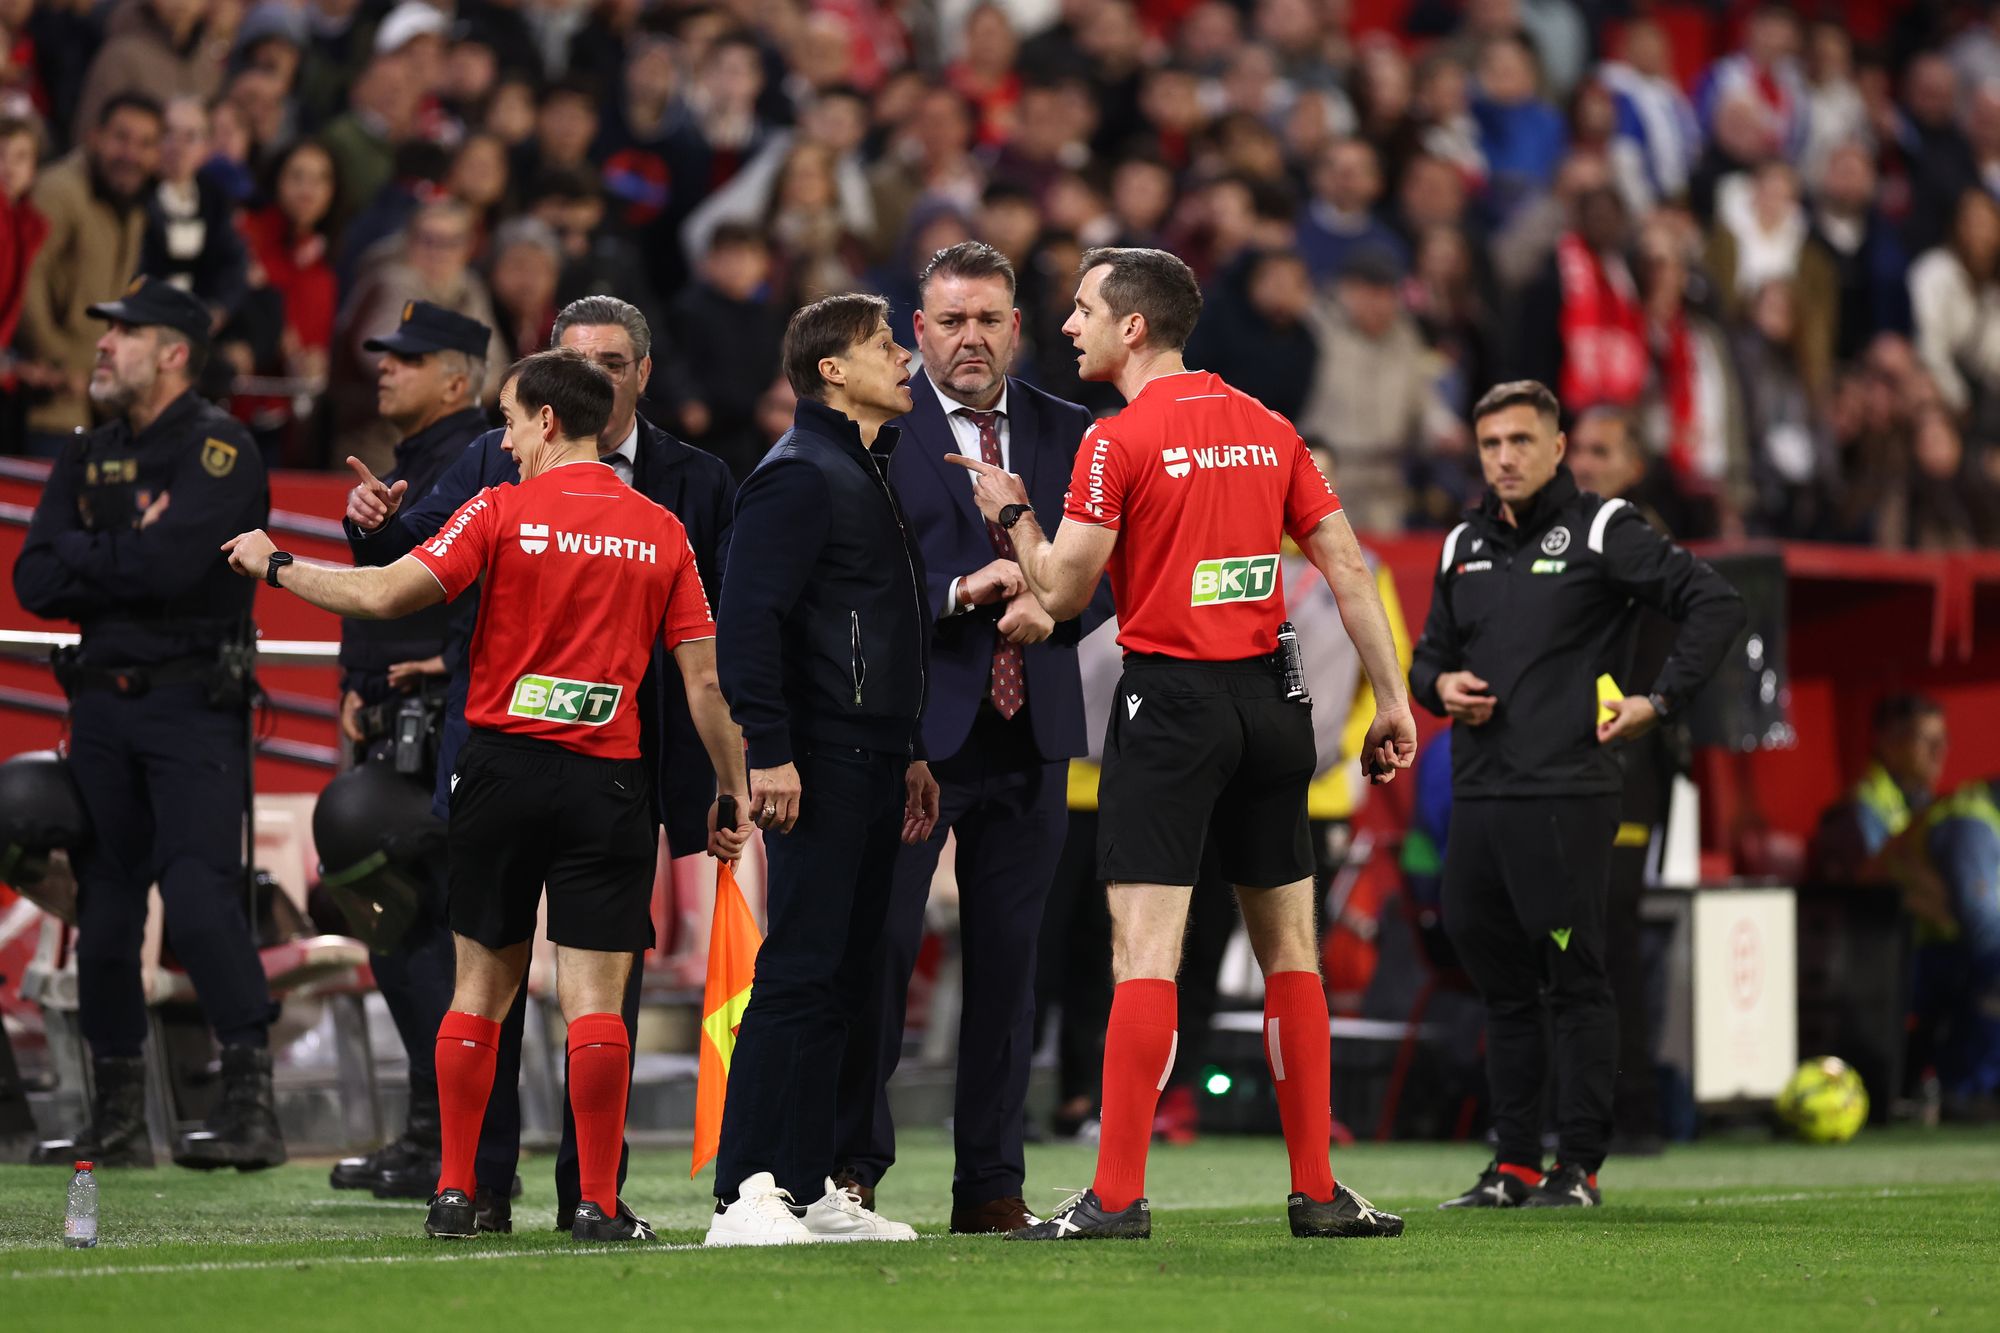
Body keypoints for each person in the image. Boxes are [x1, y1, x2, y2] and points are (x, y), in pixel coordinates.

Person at [221, 347, 751, 1242]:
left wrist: (278, 567)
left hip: (500, 771)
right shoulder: (661, 528)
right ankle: (595, 1202)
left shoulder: (500, 511)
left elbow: (389, 593)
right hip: (608, 779)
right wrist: (730, 788)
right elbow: (704, 683)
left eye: (509, 421)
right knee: (593, 999)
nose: (504, 443)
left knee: (479, 991)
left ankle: (457, 1192)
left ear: (548, 419)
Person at [948, 246, 1416, 1242]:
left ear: (1133, 327)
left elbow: (1066, 590)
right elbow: (1343, 565)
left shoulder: (1115, 441)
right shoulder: (1267, 425)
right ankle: (1317, 1192)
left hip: (1169, 709)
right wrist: (1390, 700)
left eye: (1081, 309)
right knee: (1289, 952)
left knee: (1143, 956)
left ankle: (1114, 1195)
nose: (1066, 326)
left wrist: (1011, 514)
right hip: (1270, 708)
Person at [1414, 380, 1746, 1210]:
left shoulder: (1605, 528)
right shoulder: (1462, 544)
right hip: (1481, 795)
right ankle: (1515, 1162)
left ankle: (1582, 1165)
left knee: (1575, 974)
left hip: (1568, 791)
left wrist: (1658, 700)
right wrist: (1440, 684)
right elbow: (1427, 659)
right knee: (1500, 981)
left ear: (1558, 448)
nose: (1505, 459)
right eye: (1491, 445)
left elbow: (1714, 599)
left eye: (1522, 442)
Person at [831, 241, 1108, 1234]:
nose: (969, 338)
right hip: (912, 736)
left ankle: (989, 1186)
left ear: (1016, 328)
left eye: (987, 318)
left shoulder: (1072, 431)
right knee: (880, 953)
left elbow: (1105, 567)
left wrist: (1055, 608)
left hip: (1029, 733)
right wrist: (959, 592)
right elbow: (852, 577)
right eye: (949, 320)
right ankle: (849, 1171)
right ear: (917, 331)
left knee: (1009, 970)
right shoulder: (877, 432)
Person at [13, 276, 278, 1170]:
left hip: (190, 702)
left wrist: (98, 553)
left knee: (200, 892)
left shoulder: (220, 449)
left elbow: (170, 567)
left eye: (121, 334)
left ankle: (252, 1103)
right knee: (107, 905)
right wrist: (119, 553)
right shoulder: (87, 451)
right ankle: (116, 1116)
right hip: (99, 704)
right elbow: (35, 578)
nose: (101, 346)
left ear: (172, 352)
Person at [705, 292, 940, 1247]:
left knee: (845, 975)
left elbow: (882, 627)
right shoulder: (799, 472)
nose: (905, 355)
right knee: (800, 970)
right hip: (821, 756)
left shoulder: (863, 467)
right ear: (832, 371)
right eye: (886, 343)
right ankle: (746, 1190)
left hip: (875, 752)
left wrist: (912, 748)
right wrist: (773, 749)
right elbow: (746, 623)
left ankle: (807, 1186)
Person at [324, 299, 492, 1200]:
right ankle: (433, 1130)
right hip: (400, 723)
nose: (385, 366)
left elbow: (443, 588)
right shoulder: (413, 465)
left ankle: (451, 1137)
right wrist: (359, 681)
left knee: (420, 921)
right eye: (385, 355)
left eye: (408, 357)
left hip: (451, 728)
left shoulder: (478, 460)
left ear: (458, 378)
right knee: (398, 921)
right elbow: (381, 589)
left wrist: (421, 667)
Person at [16, 93, 162, 452]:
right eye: (121, 138)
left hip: (93, 402)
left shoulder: (132, 205)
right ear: (94, 137)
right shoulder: (59, 191)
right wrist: (57, 360)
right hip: (48, 403)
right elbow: (25, 276)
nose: (131, 154)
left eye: (145, 144)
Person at [1813, 693, 1949, 881]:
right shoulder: (1859, 810)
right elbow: (1873, 888)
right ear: (1888, 744)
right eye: (1924, 739)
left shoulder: (1924, 802)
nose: (1939, 750)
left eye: (1942, 739)